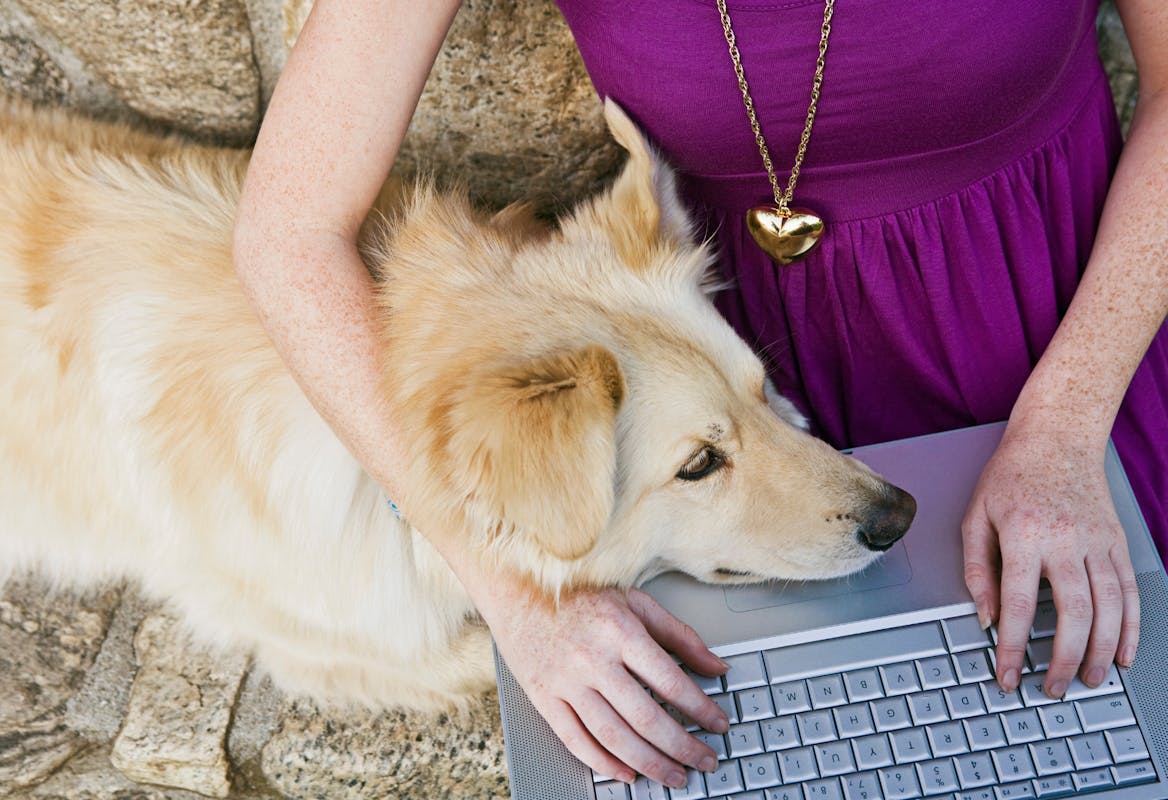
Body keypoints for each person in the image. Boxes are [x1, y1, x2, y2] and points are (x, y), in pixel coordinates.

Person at [231, 0, 1168, 789]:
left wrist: (1064, 427)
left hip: (1062, 326)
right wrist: (514, 587)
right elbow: (289, 234)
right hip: (702, 372)